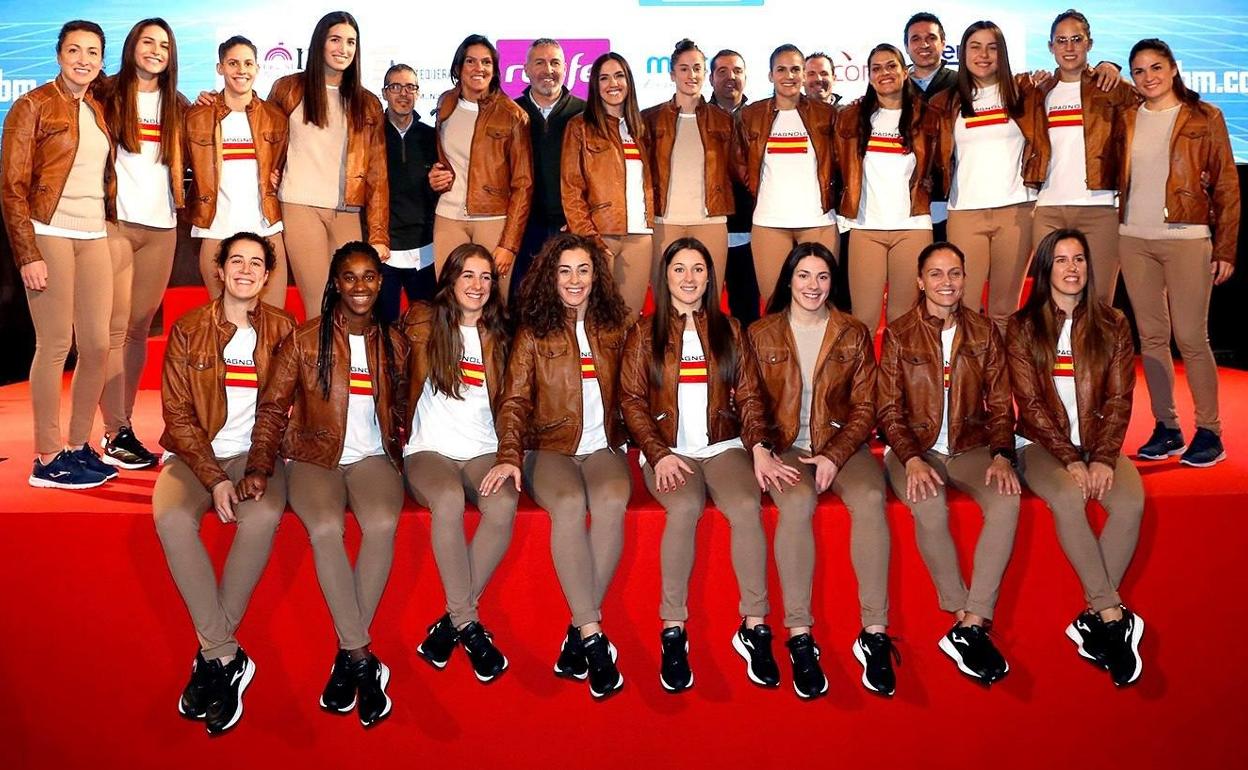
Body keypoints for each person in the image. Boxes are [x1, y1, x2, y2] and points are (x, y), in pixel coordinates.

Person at [240, 242, 408, 727]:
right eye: (350, 277)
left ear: (381, 282)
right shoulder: (304, 339)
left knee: (380, 524)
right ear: (335, 283)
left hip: (373, 458)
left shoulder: (395, 343)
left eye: (369, 277)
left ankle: (346, 655)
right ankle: (360, 655)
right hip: (315, 457)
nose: (360, 287)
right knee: (325, 529)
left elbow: (404, 409)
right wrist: (258, 465)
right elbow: (272, 407)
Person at [619, 237, 792, 693]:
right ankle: (672, 631)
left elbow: (751, 395)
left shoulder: (731, 329)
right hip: (670, 451)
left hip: (724, 447)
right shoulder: (644, 332)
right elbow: (631, 402)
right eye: (679, 269)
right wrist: (658, 454)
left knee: (745, 507)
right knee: (683, 510)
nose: (689, 278)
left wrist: (758, 446)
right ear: (665, 277)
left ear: (710, 278)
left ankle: (755, 627)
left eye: (698, 269)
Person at [153, 233, 296, 735]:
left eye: (256, 263)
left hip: (256, 456)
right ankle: (224, 652)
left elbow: (278, 411)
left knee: (262, 517)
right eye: (236, 260)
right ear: (219, 269)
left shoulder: (283, 330)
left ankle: (213, 657)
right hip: (197, 454)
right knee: (170, 517)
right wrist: (214, 478)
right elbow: (178, 413)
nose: (245, 270)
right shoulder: (189, 328)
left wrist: (256, 467)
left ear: (268, 274)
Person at [481, 233, 634, 699]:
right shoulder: (533, 331)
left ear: (596, 275)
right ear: (551, 275)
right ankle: (592, 633)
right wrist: (509, 454)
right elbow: (513, 401)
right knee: (568, 505)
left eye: (583, 270)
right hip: (549, 448)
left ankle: (577, 633)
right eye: (565, 270)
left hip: (604, 447)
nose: (575, 280)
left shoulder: (617, 327)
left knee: (612, 500)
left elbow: (639, 391)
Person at [748, 242, 895, 698]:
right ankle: (799, 635)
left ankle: (874, 632)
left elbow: (865, 407)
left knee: (872, 500)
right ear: (788, 280)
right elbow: (748, 399)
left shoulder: (853, 332)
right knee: (797, 503)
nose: (813, 286)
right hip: (786, 445)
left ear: (833, 283)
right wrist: (760, 447)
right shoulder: (760, 332)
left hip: (841, 446)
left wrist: (834, 454)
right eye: (804, 276)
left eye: (823, 277)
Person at [1007, 229, 1146, 686]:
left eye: (1079, 259)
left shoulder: (1114, 323)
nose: (1072, 268)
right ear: (1046, 270)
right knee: (1068, 500)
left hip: (1097, 445)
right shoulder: (1023, 326)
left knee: (1129, 503)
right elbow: (1028, 404)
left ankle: (1091, 617)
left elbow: (1121, 397)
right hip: (1041, 446)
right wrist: (1071, 458)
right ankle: (1109, 614)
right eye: (1062, 260)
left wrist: (1103, 457)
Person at [877, 241, 1020, 685]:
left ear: (965, 278)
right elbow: (887, 410)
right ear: (920, 282)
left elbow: (1000, 405)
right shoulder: (899, 333)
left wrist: (1000, 453)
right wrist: (913, 459)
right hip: (912, 448)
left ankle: (972, 623)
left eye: (954, 273)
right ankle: (961, 613)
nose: (946, 282)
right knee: (930, 505)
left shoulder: (984, 332)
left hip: (969, 447)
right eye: (936, 274)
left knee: (1007, 502)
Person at [3, 20, 118, 489]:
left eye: (92, 52)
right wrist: (28, 252)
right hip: (47, 232)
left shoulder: (96, 106)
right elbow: (11, 188)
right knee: (54, 345)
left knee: (95, 345)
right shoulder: (32, 106)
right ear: (58, 54)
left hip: (94, 235)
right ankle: (47, 457)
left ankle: (75, 445)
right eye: (74, 50)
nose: (83, 59)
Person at [1118, 38, 1239, 467]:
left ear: (1172, 69)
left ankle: (1210, 432)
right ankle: (1167, 428)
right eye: (1138, 71)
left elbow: (1226, 184)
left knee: (1191, 338)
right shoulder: (1128, 117)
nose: (1148, 77)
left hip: (1188, 238)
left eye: (1155, 67)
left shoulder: (1205, 116)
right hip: (1133, 239)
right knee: (1150, 340)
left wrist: (1224, 246)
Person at [401, 244, 515, 682]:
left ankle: (451, 625)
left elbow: (518, 399)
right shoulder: (424, 322)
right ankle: (467, 620)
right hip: (429, 448)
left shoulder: (505, 331)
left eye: (486, 277)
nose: (477, 285)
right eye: (467, 275)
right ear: (450, 280)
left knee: (502, 505)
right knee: (447, 500)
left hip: (484, 448)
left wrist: (509, 453)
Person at [95, 18, 185, 470]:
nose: (155, 50)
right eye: (147, 41)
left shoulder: (179, 104)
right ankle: (114, 430)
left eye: (163, 45)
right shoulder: (105, 95)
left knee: (137, 329)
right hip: (115, 223)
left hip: (161, 228)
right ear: (132, 47)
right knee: (113, 328)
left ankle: (123, 426)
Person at [267, 11, 389, 317]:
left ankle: (344, 365)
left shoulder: (368, 103)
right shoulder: (288, 89)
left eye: (350, 42)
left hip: (348, 212)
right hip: (300, 206)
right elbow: (260, 131)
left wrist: (378, 234)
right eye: (335, 39)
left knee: (352, 305)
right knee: (319, 305)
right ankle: (316, 366)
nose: (343, 48)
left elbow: (377, 175)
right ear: (320, 42)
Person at [929, 21, 1044, 332]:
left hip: (1017, 211)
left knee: (1004, 308)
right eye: (975, 47)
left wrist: (1107, 65)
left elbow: (1068, 80)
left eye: (992, 47)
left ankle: (1000, 381)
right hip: (965, 212)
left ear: (1002, 54)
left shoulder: (1026, 93)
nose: (984, 55)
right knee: (961, 306)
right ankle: (965, 380)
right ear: (962, 53)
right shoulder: (947, 102)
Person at [1033, 10, 1137, 306]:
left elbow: (1153, 106)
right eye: (1061, 41)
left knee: (1099, 300)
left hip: (1099, 207)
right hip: (1048, 209)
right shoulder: (1040, 91)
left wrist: (1112, 67)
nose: (1069, 48)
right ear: (1050, 46)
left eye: (1076, 39)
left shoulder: (1112, 88)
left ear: (1089, 44)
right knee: (1050, 303)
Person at [835, 43, 940, 336]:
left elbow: (943, 163)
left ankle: (898, 382)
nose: (885, 73)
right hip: (866, 227)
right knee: (864, 320)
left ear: (905, 72)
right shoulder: (852, 118)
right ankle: (864, 383)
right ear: (869, 77)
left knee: (903, 321)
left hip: (912, 227)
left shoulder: (927, 117)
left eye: (891, 66)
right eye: (877, 68)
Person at [187, 35, 289, 308]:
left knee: (272, 320)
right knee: (222, 320)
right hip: (216, 227)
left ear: (257, 68)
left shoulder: (276, 117)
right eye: (232, 63)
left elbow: (286, 164)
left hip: (265, 226)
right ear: (220, 68)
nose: (241, 70)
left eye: (247, 63)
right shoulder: (197, 116)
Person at [428, 34, 533, 299]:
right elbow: (445, 160)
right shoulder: (445, 104)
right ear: (458, 68)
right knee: (449, 300)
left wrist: (509, 245)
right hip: (448, 218)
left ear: (495, 70)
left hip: (494, 221)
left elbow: (523, 185)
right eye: (471, 61)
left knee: (493, 304)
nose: (479, 68)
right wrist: (434, 176)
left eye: (486, 62)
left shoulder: (513, 115)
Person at [736, 44, 839, 306]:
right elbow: (738, 163)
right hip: (769, 221)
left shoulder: (826, 115)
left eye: (795, 69)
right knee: (774, 305)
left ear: (804, 74)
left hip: (818, 220)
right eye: (781, 69)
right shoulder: (750, 115)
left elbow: (840, 160)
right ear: (770, 75)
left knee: (819, 302)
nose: (789, 76)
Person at [560, 52, 654, 318]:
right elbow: (571, 189)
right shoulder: (579, 127)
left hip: (640, 237)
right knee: (592, 320)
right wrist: (590, 239)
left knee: (630, 320)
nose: (613, 83)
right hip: (600, 237)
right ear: (595, 85)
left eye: (619, 76)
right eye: (604, 78)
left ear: (629, 81)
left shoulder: (640, 127)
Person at [643, 39, 733, 289]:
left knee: (710, 297)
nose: (691, 75)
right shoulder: (649, 119)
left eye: (697, 68)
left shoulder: (725, 121)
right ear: (672, 74)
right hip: (664, 222)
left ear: (706, 74)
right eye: (684, 69)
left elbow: (740, 170)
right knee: (664, 298)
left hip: (711, 222)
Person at [512, 38, 586, 293]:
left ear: (565, 68)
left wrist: (581, 220)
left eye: (555, 62)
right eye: (540, 62)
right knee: (523, 300)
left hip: (571, 225)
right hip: (521, 227)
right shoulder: (510, 112)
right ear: (526, 69)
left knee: (570, 299)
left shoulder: (585, 114)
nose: (548, 69)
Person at [378, 63, 438, 322]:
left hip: (425, 250)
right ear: (384, 93)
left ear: (418, 92)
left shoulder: (433, 137)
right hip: (382, 248)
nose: (403, 93)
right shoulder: (370, 136)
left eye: (410, 87)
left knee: (426, 327)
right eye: (396, 87)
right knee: (383, 327)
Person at [709, 49, 761, 324]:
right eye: (722, 71)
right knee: (704, 316)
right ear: (710, 78)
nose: (731, 77)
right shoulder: (698, 117)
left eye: (737, 71)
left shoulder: (761, 116)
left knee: (748, 313)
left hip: (752, 234)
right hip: (707, 229)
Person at [904, 13, 957, 100]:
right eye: (916, 39)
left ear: (943, 44)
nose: (924, 45)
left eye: (931, 38)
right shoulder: (895, 85)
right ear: (906, 47)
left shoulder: (961, 83)